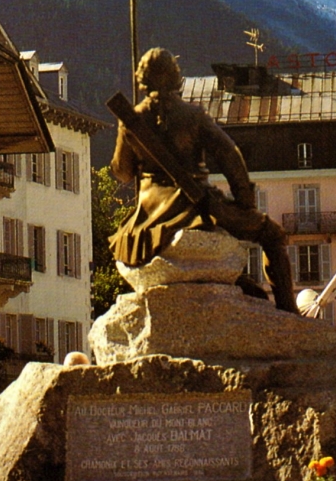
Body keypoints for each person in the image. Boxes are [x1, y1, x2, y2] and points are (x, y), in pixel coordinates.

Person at [110, 47, 296, 312]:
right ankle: (288, 310)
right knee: (273, 235)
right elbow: (230, 155)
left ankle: (240, 286)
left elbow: (123, 171)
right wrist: (245, 202)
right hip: (194, 203)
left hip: (149, 211)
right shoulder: (193, 115)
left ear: (142, 78)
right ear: (175, 77)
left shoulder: (131, 119)